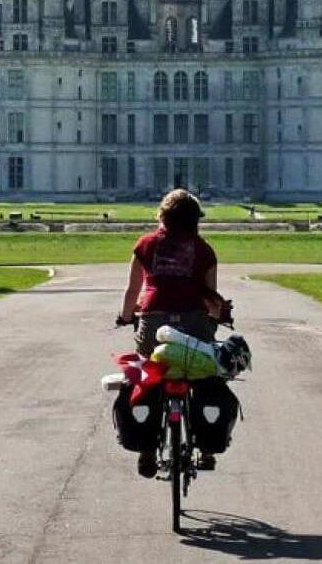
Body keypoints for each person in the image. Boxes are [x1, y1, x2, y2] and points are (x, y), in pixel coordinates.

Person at [118, 189, 219, 478]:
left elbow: (132, 291)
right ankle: (208, 448)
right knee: (203, 374)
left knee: (147, 375)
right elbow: (211, 298)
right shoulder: (204, 250)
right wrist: (214, 320)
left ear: (162, 215)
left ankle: (146, 450)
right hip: (194, 323)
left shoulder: (146, 244)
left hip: (154, 322)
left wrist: (126, 317)